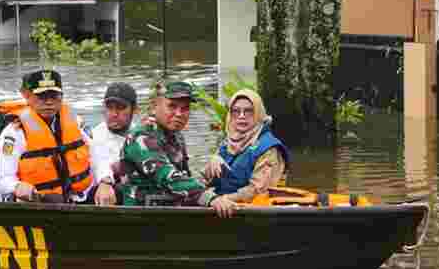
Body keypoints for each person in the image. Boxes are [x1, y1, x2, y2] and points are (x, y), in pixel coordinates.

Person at [119, 81, 235, 218]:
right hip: (142, 217)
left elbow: (184, 176)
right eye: (172, 106)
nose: (179, 114)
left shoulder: (176, 136)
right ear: (156, 106)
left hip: (170, 213)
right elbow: (169, 178)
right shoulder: (141, 137)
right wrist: (210, 198)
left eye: (185, 108)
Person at [0, 69, 94, 204]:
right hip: (37, 202)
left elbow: (96, 154)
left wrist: (105, 180)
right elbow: (3, 181)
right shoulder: (14, 133)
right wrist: (17, 186)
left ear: (61, 97)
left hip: (77, 197)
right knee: (54, 200)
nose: (48, 102)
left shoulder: (75, 122)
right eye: (41, 96)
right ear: (28, 97)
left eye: (54, 96)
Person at [203, 89, 289, 206]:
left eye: (248, 111)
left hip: (250, 211)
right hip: (220, 204)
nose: (241, 116)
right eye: (236, 111)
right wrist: (211, 164)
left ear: (258, 113)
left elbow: (257, 190)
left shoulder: (270, 149)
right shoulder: (227, 142)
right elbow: (205, 181)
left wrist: (220, 199)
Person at [88, 82, 137, 207]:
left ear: (134, 110)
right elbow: (101, 162)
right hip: (101, 194)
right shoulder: (93, 136)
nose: (114, 114)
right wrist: (105, 182)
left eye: (121, 108)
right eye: (110, 108)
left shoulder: (142, 135)